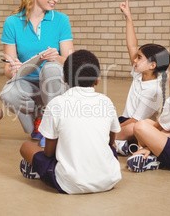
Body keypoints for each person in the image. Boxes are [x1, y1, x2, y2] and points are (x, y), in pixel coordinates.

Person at [19, 50, 122, 194]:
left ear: (64, 78)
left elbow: (49, 153)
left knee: (26, 147)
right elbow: (111, 142)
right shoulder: (106, 102)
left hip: (71, 184)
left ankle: (39, 170)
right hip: (109, 180)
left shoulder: (56, 104)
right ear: (97, 79)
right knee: (108, 150)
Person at [0, 0, 75, 146]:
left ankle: (52, 127)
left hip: (55, 84)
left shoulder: (61, 20)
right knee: (8, 92)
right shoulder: (12, 22)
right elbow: (8, 71)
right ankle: (38, 121)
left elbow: (71, 63)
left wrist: (54, 57)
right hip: (29, 85)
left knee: (50, 68)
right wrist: (13, 68)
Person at [114, 0, 170, 156]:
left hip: (137, 126)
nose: (135, 60)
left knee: (130, 128)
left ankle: (112, 141)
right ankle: (120, 144)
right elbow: (131, 45)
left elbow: (136, 122)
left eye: (139, 58)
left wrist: (112, 131)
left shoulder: (153, 90)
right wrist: (128, 17)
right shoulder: (139, 74)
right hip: (126, 120)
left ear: (153, 65)